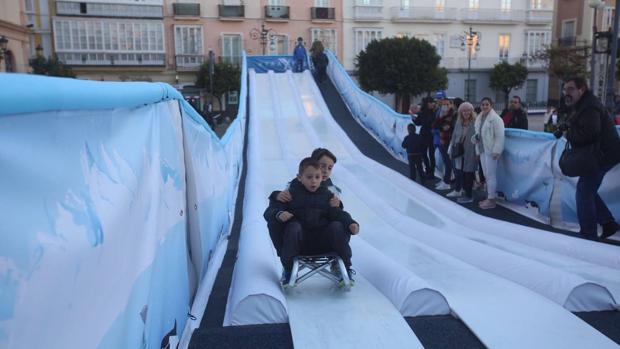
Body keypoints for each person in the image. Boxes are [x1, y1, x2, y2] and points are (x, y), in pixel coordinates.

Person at [263, 157, 359, 287]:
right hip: (299, 243)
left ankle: (344, 268)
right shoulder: (289, 195)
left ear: (322, 178)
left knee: (337, 225)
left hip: (323, 242)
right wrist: (279, 214)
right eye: (309, 177)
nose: (313, 181)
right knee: (293, 227)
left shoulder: (328, 196)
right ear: (299, 178)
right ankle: (289, 270)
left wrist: (351, 223)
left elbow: (338, 214)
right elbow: (270, 211)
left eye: (317, 177)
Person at [556, 76, 620, 239]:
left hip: (602, 156)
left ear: (581, 89)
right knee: (587, 191)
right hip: (601, 154)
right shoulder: (583, 104)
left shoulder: (590, 106)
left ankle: (588, 234)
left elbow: (590, 133)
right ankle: (608, 223)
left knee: (584, 192)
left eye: (570, 89)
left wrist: (568, 133)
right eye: (565, 90)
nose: (566, 93)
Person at [267, 148, 342, 257]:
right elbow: (287, 199)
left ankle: (337, 260)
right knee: (278, 220)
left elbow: (337, 213)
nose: (325, 171)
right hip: (299, 234)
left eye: (329, 168)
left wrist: (339, 206)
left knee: (340, 225)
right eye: (322, 166)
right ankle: (285, 256)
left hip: (322, 236)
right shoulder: (296, 185)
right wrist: (276, 195)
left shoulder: (331, 189)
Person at [472, 97, 505, 209]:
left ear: (491, 105)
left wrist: (496, 151)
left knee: (491, 175)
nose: (484, 106)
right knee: (486, 175)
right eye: (483, 104)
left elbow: (500, 136)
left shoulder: (496, 119)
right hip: (482, 150)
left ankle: (491, 200)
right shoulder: (480, 118)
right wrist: (475, 140)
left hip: (491, 151)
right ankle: (489, 196)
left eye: (487, 104)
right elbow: (478, 134)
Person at [447, 102, 477, 203]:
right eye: (464, 110)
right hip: (460, 153)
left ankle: (469, 196)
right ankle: (464, 193)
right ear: (460, 112)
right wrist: (451, 148)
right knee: (462, 173)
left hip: (471, 152)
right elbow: (454, 136)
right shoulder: (459, 123)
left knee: (468, 174)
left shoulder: (476, 123)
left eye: (468, 110)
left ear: (472, 111)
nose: (466, 112)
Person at [432, 98, 456, 190]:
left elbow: (447, 128)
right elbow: (434, 125)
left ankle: (447, 182)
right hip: (442, 140)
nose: (445, 106)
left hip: (448, 141)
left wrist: (441, 125)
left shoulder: (453, 115)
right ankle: (445, 180)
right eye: (443, 105)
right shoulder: (442, 114)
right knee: (446, 162)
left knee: (448, 162)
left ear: (451, 105)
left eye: (447, 104)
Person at [413, 97, 437, 179]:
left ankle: (431, 172)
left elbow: (427, 123)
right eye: (431, 102)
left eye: (432, 102)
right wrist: (413, 118)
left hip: (431, 135)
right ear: (427, 103)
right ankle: (428, 170)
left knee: (431, 154)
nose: (432, 104)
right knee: (424, 154)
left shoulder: (434, 112)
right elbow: (418, 122)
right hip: (424, 135)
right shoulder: (423, 112)